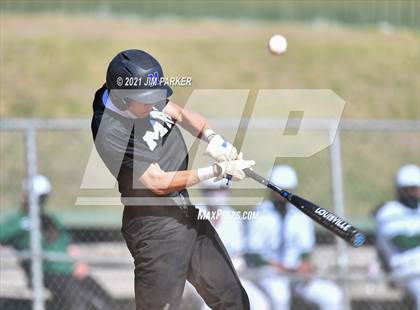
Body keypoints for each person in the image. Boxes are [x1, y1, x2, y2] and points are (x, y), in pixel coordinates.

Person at [91, 49, 254, 309]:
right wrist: (214, 172)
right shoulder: (111, 130)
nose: (155, 104)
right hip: (154, 228)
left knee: (232, 299)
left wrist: (214, 139)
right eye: (147, 100)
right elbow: (156, 182)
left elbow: (180, 114)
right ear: (122, 100)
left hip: (185, 213)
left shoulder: (135, 94)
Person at [0, 174, 112, 310]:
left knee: (105, 301)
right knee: (78, 304)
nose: (40, 201)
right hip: (47, 272)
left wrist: (79, 263)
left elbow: (69, 244)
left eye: (42, 198)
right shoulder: (19, 222)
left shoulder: (51, 220)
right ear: (25, 196)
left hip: (69, 269)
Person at [247, 165, 343, 310]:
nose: (282, 195)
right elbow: (254, 255)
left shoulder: (301, 216)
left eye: (287, 190)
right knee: (280, 295)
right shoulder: (260, 215)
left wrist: (305, 265)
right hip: (269, 273)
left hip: (296, 273)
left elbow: (305, 252)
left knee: (332, 295)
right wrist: (278, 267)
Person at [190, 178, 270, 310]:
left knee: (259, 302)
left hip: (229, 276)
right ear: (204, 191)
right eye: (212, 190)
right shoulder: (193, 214)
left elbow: (238, 255)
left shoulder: (233, 218)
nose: (217, 194)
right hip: (198, 279)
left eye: (221, 190)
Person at [374, 164, 420, 310]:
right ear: (401, 190)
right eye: (411, 190)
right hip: (404, 268)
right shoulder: (388, 211)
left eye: (418, 189)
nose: (416, 194)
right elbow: (403, 241)